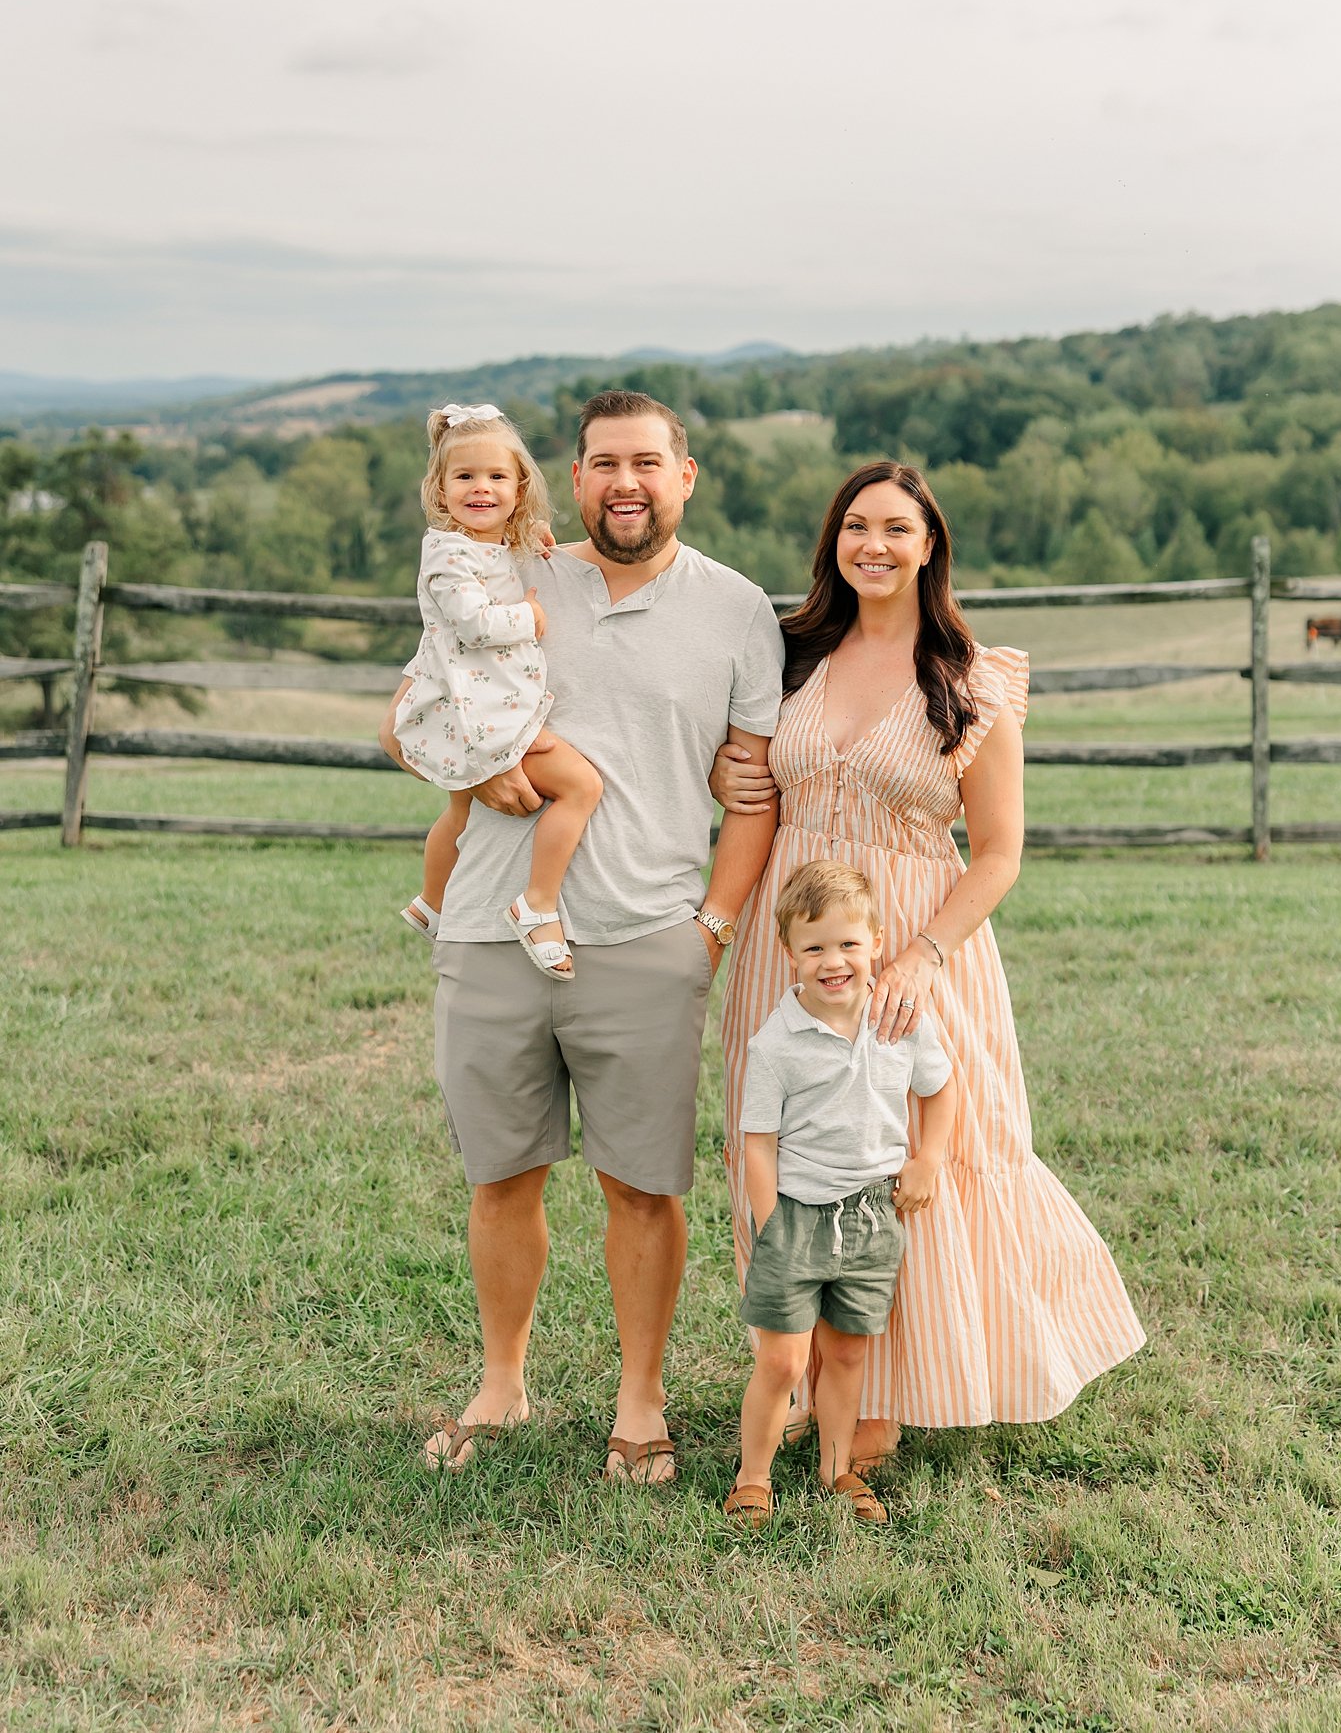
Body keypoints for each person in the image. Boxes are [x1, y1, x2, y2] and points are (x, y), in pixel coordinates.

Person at [380, 390, 784, 1478]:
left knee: (642, 1186)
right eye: (604, 462)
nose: (626, 483)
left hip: (649, 937)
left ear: (684, 475)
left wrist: (713, 927)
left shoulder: (741, 612)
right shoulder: (512, 569)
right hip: (486, 929)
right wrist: (480, 764)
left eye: (647, 462)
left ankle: (641, 1401)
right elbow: (402, 720)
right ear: (574, 473)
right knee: (500, 1176)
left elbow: (752, 793)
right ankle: (501, 1387)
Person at [715, 460, 1145, 1472]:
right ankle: (805, 1368)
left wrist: (923, 952)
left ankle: (890, 1392)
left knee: (915, 1157)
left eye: (896, 529)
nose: (873, 545)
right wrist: (718, 770)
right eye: (855, 527)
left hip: (917, 941)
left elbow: (997, 852)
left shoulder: (970, 681)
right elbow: (749, 778)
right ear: (834, 543)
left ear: (930, 545)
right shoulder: (788, 657)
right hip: (796, 942)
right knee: (789, 1147)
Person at [725, 859, 957, 1530]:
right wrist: (772, 1231)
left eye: (849, 944)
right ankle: (753, 1477)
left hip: (869, 1215)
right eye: (815, 946)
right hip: (796, 1217)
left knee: (849, 1349)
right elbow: (758, 1145)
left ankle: (836, 1469)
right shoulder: (778, 1043)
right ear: (788, 954)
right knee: (784, 1357)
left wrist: (929, 1158)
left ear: (877, 944)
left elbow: (941, 1091)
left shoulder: (902, 1021)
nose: (835, 962)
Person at [392, 403, 601, 975]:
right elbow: (475, 622)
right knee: (581, 787)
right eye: (464, 477)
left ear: (520, 485)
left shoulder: (485, 543)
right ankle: (537, 904)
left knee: (460, 810)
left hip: (481, 700)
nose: (480, 488)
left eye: (496, 477)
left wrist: (525, 534)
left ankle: (432, 902)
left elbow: (501, 556)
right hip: (484, 709)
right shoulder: (446, 552)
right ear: (439, 489)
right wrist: (529, 619)